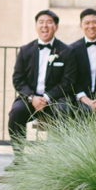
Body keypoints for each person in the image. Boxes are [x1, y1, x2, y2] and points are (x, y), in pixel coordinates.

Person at [8, 9, 73, 160]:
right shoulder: (25, 50)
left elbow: (68, 82)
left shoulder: (66, 51)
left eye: (49, 22)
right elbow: (18, 78)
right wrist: (32, 97)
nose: (45, 26)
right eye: (41, 22)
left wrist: (47, 98)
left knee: (64, 112)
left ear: (56, 27)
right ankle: (18, 158)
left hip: (55, 99)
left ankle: (59, 159)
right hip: (29, 98)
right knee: (16, 112)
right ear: (36, 26)